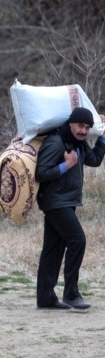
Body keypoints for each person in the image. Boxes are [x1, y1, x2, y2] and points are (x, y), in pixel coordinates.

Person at [35, 107, 105, 310]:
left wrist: (102, 138)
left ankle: (46, 298)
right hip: (55, 201)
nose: (83, 131)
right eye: (80, 126)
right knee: (77, 240)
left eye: (87, 128)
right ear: (71, 124)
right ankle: (71, 294)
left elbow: (94, 160)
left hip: (65, 201)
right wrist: (66, 165)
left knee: (53, 249)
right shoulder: (56, 142)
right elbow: (41, 173)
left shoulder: (78, 143)